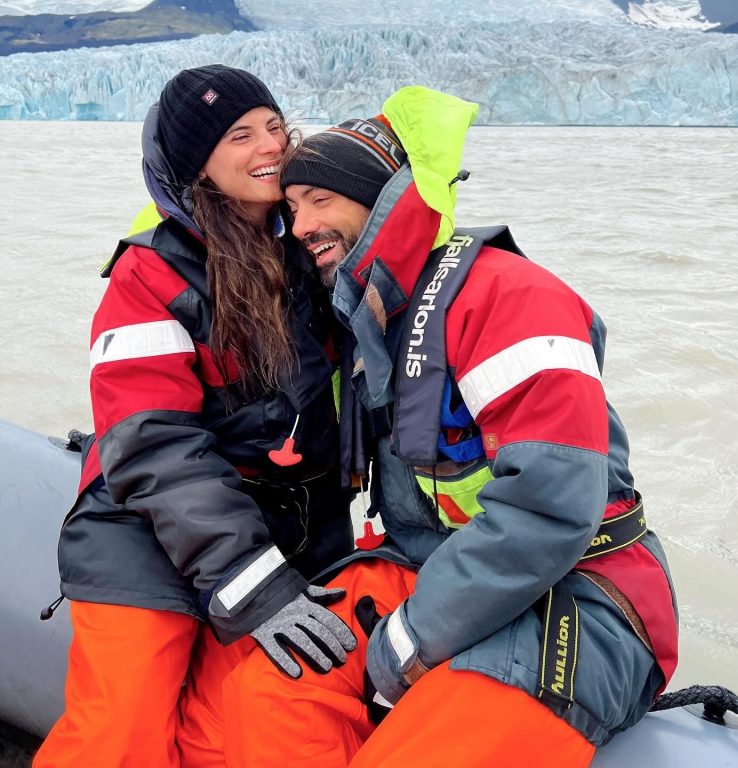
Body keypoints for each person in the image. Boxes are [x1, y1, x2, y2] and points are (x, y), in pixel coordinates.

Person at [220, 86, 679, 767]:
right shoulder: (370, 325)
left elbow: (552, 505)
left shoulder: (508, 295)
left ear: (378, 200)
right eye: (291, 209)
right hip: (432, 569)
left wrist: (410, 640)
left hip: (581, 592)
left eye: (320, 199)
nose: (303, 224)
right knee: (265, 694)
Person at [33, 64, 358, 768]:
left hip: (278, 534)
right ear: (197, 166)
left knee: (235, 734)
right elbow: (153, 446)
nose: (269, 145)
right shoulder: (150, 274)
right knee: (122, 733)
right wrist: (253, 581)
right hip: (144, 534)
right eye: (239, 135)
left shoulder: (314, 251)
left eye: (273, 126)